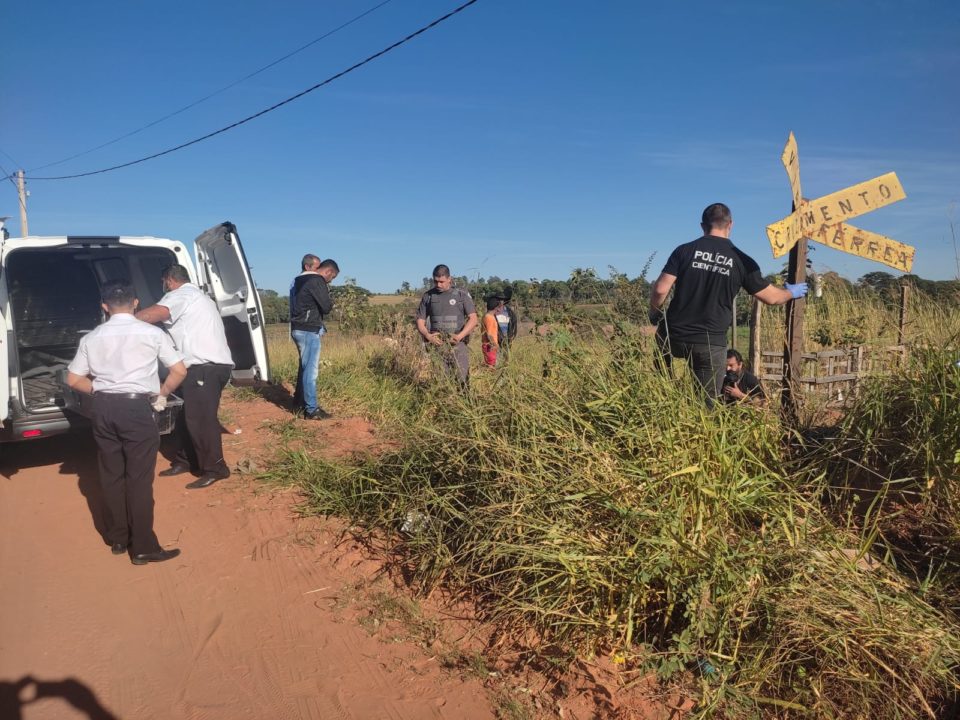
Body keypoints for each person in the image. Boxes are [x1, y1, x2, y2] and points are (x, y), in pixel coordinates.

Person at [66, 281, 187, 564]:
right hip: (136, 409)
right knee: (139, 479)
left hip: (104, 407)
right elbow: (179, 370)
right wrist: (162, 392)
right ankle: (143, 545)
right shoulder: (151, 333)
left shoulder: (91, 338)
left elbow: (73, 379)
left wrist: (100, 390)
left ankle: (118, 538)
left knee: (111, 475)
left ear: (104, 307)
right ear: (135, 303)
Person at [649, 202, 807, 406]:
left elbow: (660, 289)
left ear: (702, 226)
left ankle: (662, 413)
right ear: (730, 225)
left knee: (662, 389)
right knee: (706, 404)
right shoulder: (741, 260)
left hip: (673, 335)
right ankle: (698, 433)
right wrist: (791, 292)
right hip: (710, 342)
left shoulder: (684, 251)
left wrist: (655, 314)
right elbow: (772, 298)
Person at [136, 264, 235, 489]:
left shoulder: (182, 294)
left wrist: (124, 321)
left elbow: (157, 313)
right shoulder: (199, 297)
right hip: (202, 367)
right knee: (184, 417)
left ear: (169, 280)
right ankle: (186, 460)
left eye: (164, 283)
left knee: (201, 419)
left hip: (204, 367)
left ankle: (216, 468)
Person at [289, 256, 339, 419]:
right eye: (332, 277)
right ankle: (311, 410)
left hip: (297, 328)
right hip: (309, 329)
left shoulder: (296, 281)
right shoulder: (317, 280)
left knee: (304, 367)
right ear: (329, 271)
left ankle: (298, 403)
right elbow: (326, 306)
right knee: (311, 371)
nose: (330, 281)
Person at [416, 264, 477, 386]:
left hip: (458, 345)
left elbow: (473, 319)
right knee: (441, 382)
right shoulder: (428, 296)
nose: (438, 285)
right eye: (435, 281)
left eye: (442, 281)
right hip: (437, 346)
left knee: (462, 380)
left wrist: (460, 336)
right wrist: (428, 336)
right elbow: (420, 321)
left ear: (449, 279)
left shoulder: (461, 294)